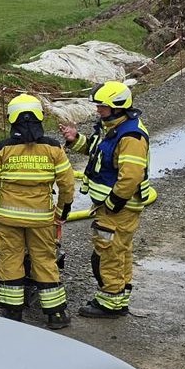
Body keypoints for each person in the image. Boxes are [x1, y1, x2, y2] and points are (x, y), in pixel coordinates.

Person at [0, 94, 75, 328]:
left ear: (12, 119)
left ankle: (12, 315)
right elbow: (67, 185)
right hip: (42, 219)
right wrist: (62, 211)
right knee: (45, 261)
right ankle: (56, 314)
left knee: (10, 261)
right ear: (40, 116)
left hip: (8, 219)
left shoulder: (2, 149)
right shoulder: (53, 148)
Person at [59, 80, 156, 319]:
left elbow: (130, 177)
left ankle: (109, 304)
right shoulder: (115, 127)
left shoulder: (131, 136)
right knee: (118, 252)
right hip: (114, 208)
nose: (97, 109)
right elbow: (99, 151)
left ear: (117, 106)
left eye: (102, 106)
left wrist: (112, 204)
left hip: (117, 209)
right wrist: (75, 139)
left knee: (108, 253)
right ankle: (116, 298)